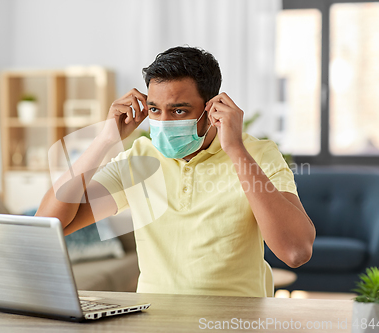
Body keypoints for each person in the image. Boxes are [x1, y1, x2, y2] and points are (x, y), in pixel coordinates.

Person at [36, 46, 315, 297]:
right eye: (155, 110)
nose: (163, 122)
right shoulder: (139, 158)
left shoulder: (257, 155)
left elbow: (295, 252)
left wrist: (236, 150)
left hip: (236, 320)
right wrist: (105, 141)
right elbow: (49, 225)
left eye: (179, 111)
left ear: (212, 108)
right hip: (154, 319)